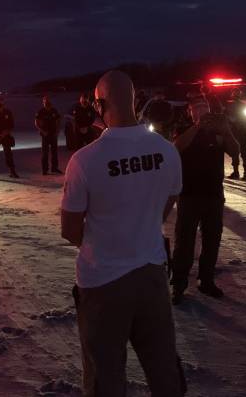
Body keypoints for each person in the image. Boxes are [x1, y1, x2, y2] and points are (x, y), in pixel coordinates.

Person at [61, 70, 186, 397]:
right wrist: (139, 228)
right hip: (152, 275)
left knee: (105, 375)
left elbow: (70, 230)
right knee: (163, 367)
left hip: (103, 281)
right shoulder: (166, 150)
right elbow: (167, 202)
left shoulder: (85, 160)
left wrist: (108, 239)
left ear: (100, 105)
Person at [170, 95, 240, 305]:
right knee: (184, 241)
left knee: (212, 239)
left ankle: (206, 280)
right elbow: (176, 148)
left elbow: (235, 151)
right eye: (197, 108)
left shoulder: (218, 129)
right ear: (190, 111)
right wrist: (197, 127)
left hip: (213, 194)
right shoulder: (183, 127)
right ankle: (179, 283)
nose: (202, 111)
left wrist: (226, 131)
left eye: (204, 107)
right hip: (188, 194)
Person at [0, 96, 18, 181]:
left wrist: (6, 132)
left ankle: (12, 171)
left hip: (6, 135)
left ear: (2, 103)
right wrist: (0, 134)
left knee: (8, 154)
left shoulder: (8, 112)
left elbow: (12, 124)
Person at [226, 88, 246, 181]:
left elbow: (229, 118)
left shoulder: (231, 105)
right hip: (240, 130)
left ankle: (238, 172)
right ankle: (244, 173)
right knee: (242, 151)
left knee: (237, 151)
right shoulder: (241, 105)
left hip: (237, 130)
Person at [35, 96, 62, 175]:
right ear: (43, 102)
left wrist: (57, 131)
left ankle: (54, 168)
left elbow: (59, 121)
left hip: (53, 134)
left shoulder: (54, 110)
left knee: (54, 152)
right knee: (45, 153)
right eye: (45, 102)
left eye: (48, 102)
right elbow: (36, 123)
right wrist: (42, 131)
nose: (47, 103)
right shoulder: (41, 111)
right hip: (45, 135)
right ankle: (45, 169)